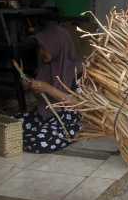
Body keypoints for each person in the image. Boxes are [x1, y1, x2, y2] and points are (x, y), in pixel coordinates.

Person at [20, 23, 82, 153]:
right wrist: (30, 85)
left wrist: (47, 88)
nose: (41, 52)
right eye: (40, 48)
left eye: (45, 48)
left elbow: (79, 104)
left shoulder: (78, 71)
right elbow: (42, 98)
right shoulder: (47, 66)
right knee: (12, 126)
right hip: (44, 114)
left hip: (65, 119)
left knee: (40, 142)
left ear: (57, 46)